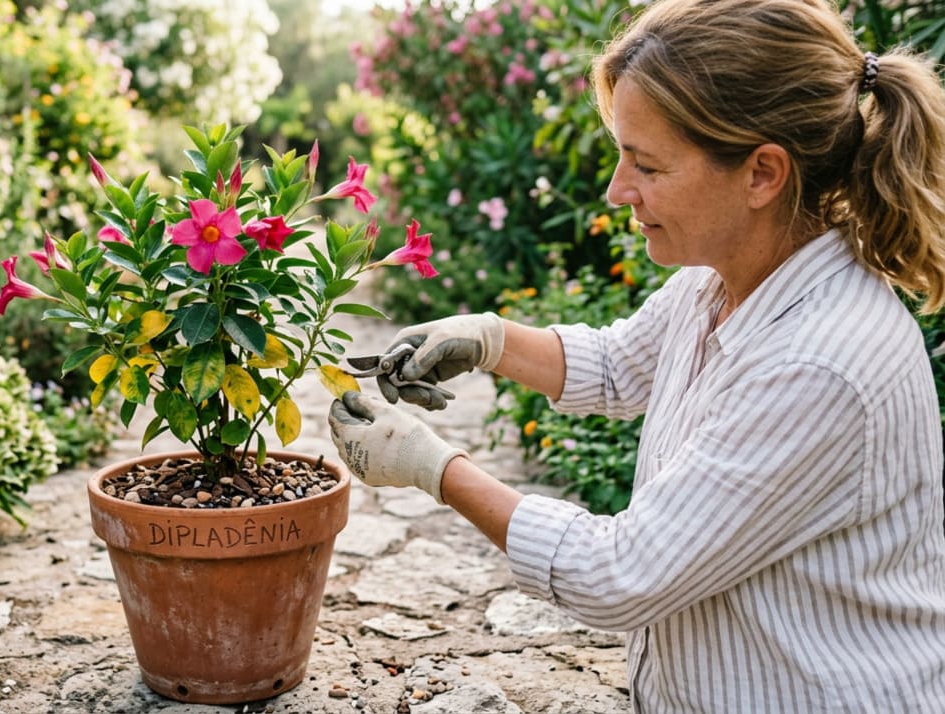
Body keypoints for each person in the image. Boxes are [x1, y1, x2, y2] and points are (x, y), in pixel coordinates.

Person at [328, 0, 945, 711]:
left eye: (647, 165)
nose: (618, 189)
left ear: (762, 173)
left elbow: (618, 574)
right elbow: (620, 365)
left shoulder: (818, 364)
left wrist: (430, 465)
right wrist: (489, 339)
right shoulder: (725, 279)